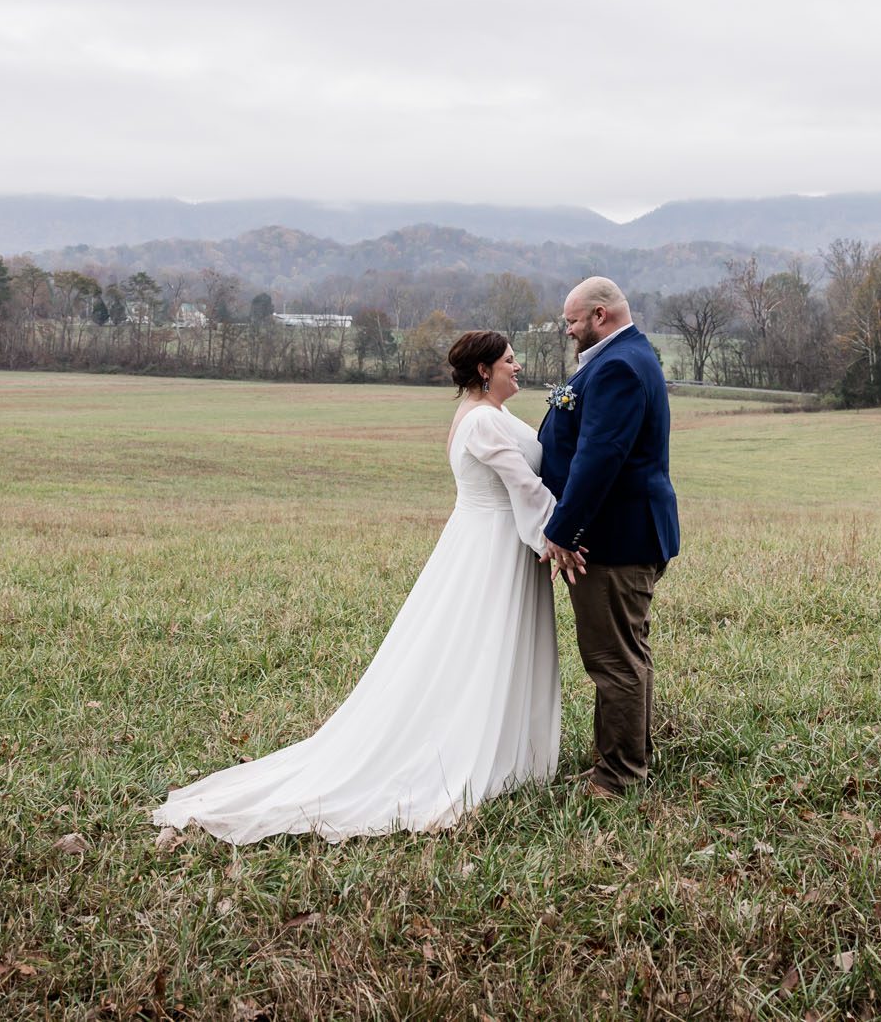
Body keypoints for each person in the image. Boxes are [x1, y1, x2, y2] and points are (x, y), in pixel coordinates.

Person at [152, 331, 561, 842]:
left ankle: (507, 742)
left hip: (495, 541)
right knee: (476, 647)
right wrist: (556, 535)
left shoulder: (490, 414)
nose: (516, 367)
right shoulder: (480, 420)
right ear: (484, 370)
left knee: (488, 646)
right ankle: (466, 748)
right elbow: (521, 484)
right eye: (509, 360)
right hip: (491, 546)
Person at [537, 276, 679, 796]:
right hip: (628, 533)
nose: (569, 330)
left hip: (615, 540)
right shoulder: (629, 355)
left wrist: (563, 530)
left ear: (600, 315)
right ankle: (622, 760)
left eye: (572, 321)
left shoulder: (618, 365)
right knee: (627, 653)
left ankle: (619, 778)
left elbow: (601, 457)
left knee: (613, 661)